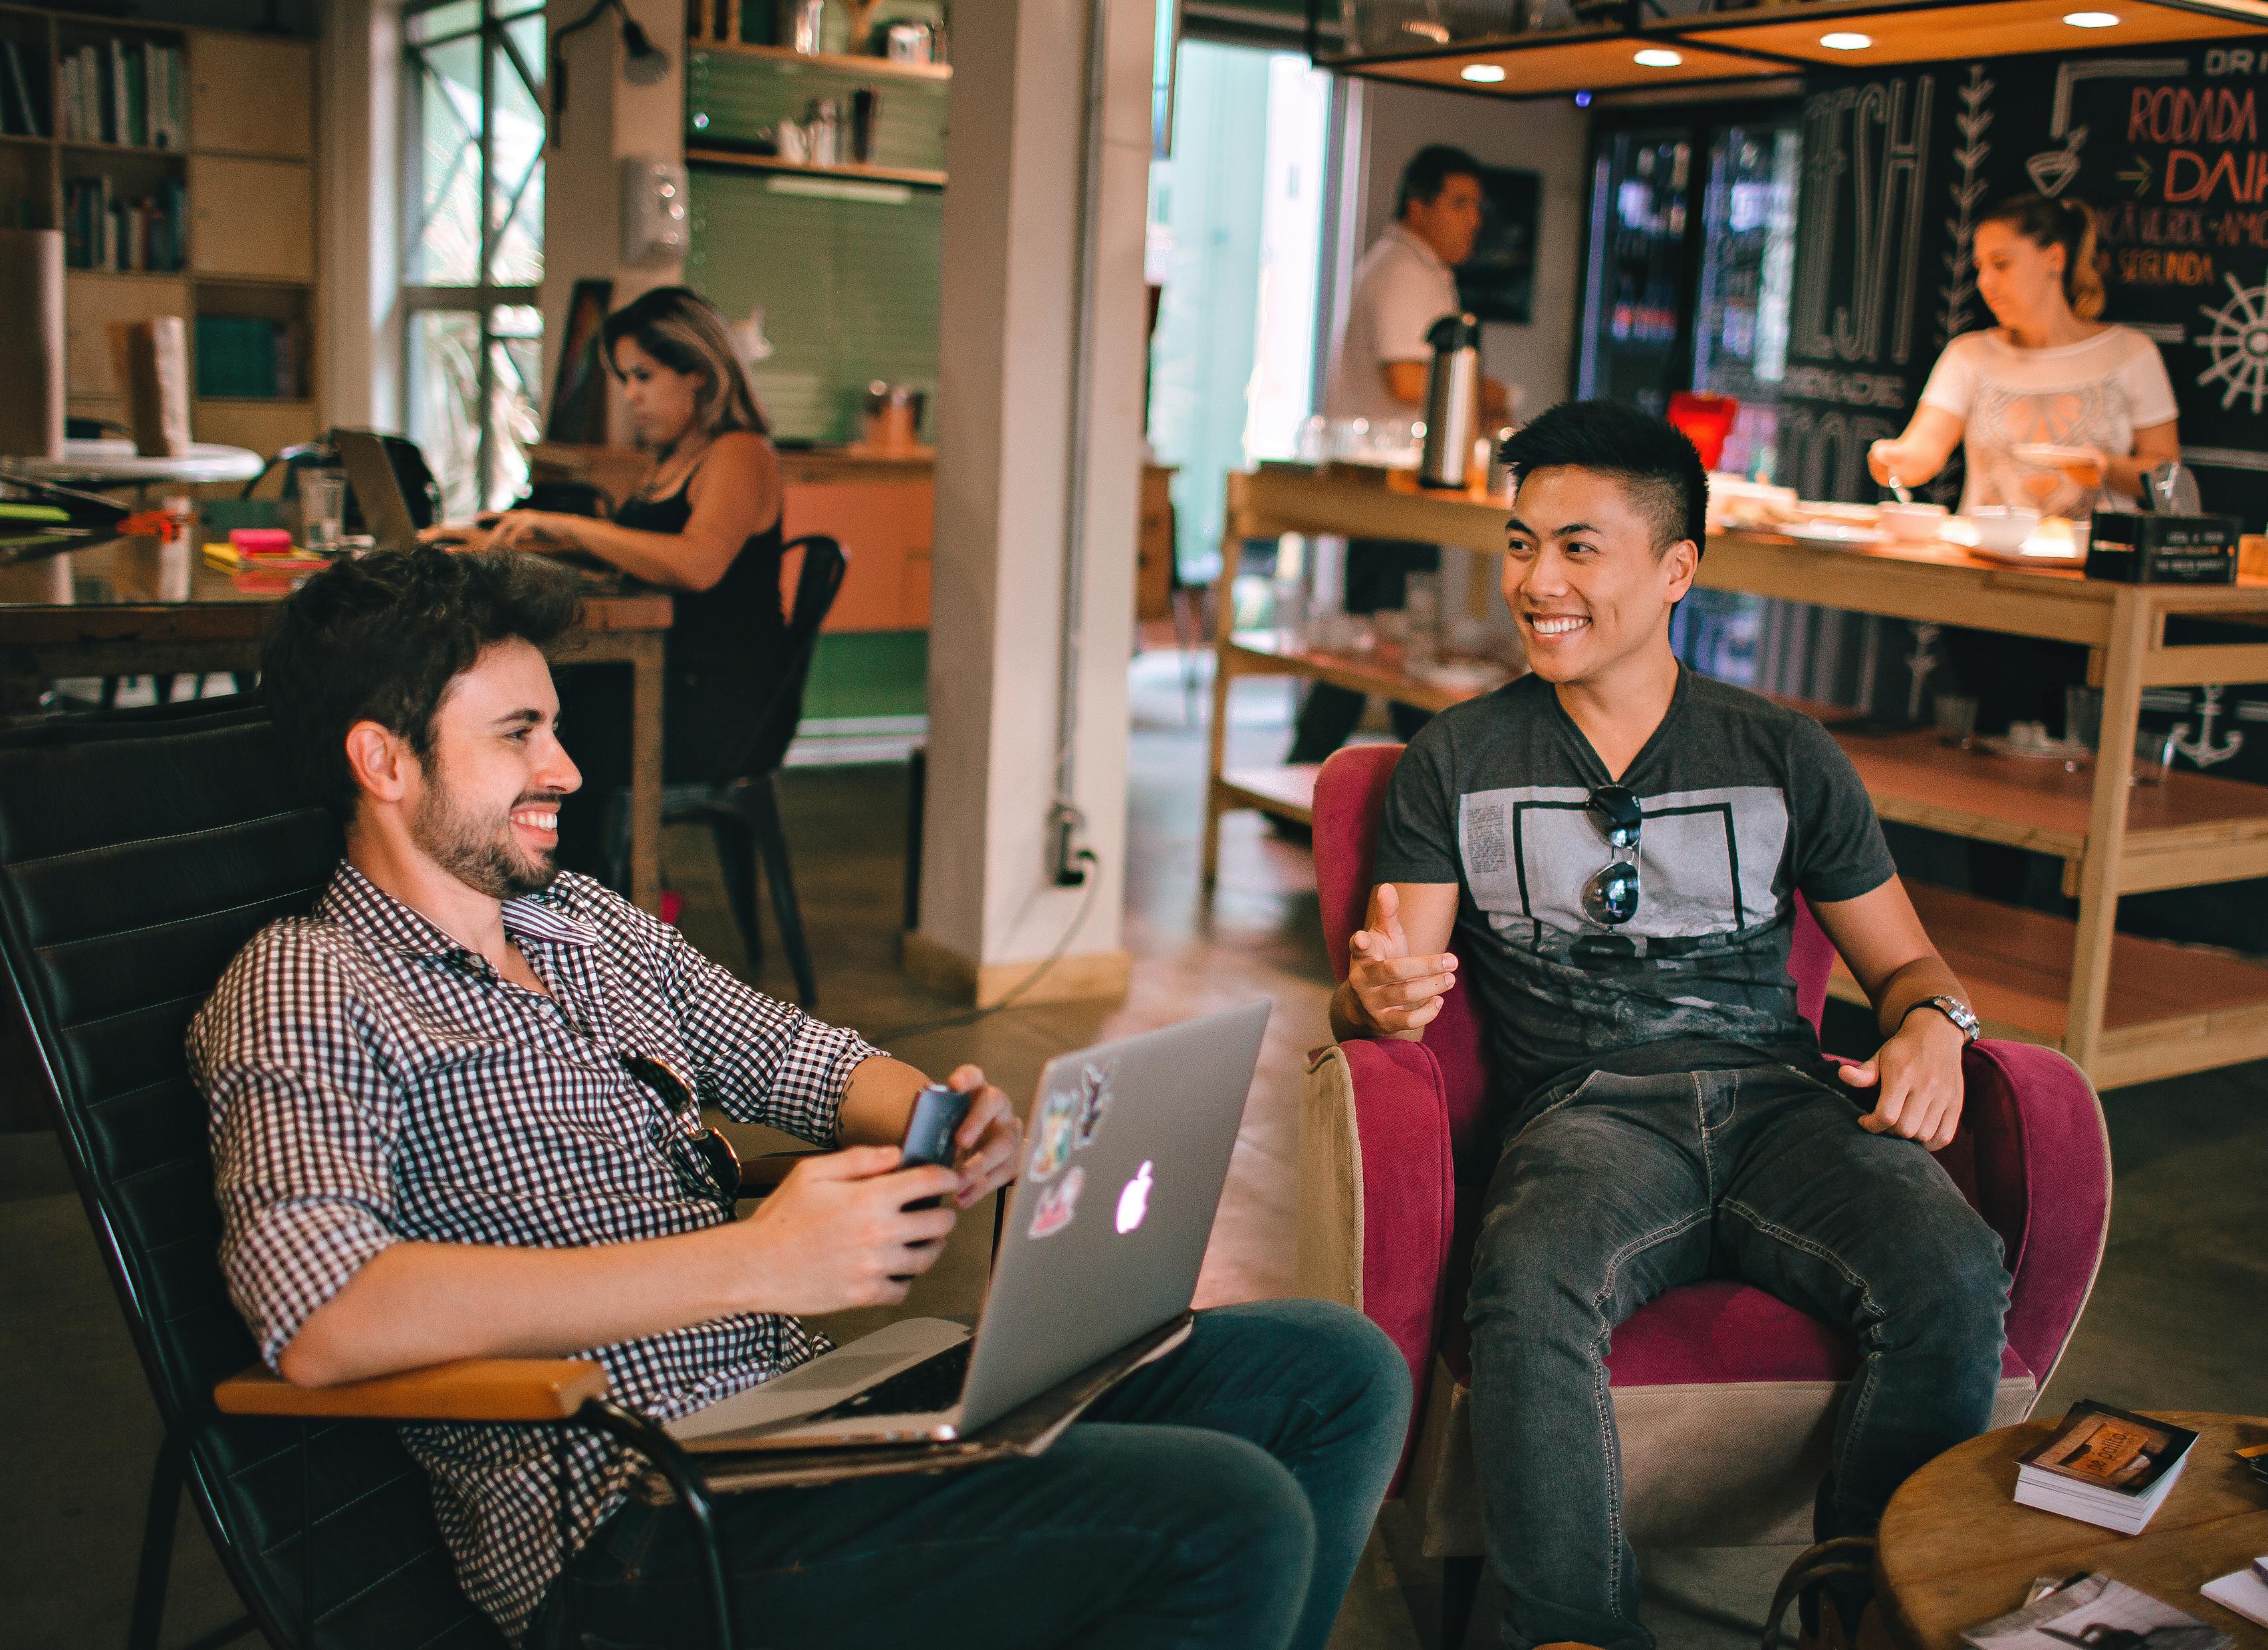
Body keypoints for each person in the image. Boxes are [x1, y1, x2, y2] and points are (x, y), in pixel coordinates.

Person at [189, 545, 1411, 1649]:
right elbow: (323, 1314)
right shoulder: (309, 981)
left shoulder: (580, 926)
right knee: (1222, 1516)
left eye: (554, 726)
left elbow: (803, 1060)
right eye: (518, 734)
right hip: (633, 1519)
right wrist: (756, 1266)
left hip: (803, 1422)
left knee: (1334, 1371)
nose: (564, 765)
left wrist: (939, 1119)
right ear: (383, 758)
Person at [1332, 402, 2009, 1650]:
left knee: (1953, 1270)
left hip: (1783, 1105)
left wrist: (1937, 1028)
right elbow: (1392, 976)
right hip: (1587, 1115)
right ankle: (1574, 1634)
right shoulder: (1457, 757)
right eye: (1521, 544)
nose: (1537, 584)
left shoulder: (1784, 753)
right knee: (1529, 1281)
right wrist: (1371, 1000)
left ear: (1676, 569)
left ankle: (1863, 1616)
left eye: (1579, 549)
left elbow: (1908, 963)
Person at [447, 285, 795, 877]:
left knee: (547, 729)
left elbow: (695, 562)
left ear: (699, 376)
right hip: (667, 675)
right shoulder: (676, 456)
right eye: (625, 378)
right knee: (537, 711)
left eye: (643, 376)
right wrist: (517, 537)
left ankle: (569, 911)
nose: (630, 396)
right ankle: (538, 899)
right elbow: (638, 557)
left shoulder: (740, 454)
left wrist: (568, 527)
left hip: (715, 702)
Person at [1287, 144, 1510, 770]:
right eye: (1460, 203)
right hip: (1391, 487)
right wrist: (1489, 393)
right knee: (1390, 642)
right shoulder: (1403, 271)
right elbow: (1411, 381)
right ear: (1419, 205)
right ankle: (1402, 779)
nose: (1473, 220)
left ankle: (1375, 774)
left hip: (1402, 487)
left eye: (1477, 207)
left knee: (1389, 638)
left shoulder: (1418, 269)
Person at [1866, 194, 2180, 521]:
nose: (1985, 283)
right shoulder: (1968, 355)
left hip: (2090, 563)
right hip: (1983, 558)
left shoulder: (2131, 353)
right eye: (1980, 268)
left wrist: (2105, 467)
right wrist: (1894, 458)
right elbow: (1924, 452)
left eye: (2001, 264)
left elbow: (2166, 475)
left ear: (2055, 259)